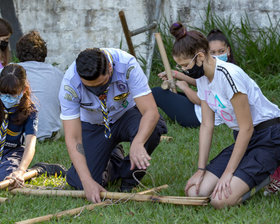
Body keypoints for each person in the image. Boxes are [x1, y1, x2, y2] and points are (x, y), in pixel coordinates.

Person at [169, 22, 280, 209]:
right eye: (180, 67)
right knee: (196, 192)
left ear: (201, 56)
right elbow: (206, 125)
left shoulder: (229, 76)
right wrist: (200, 169)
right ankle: (247, 172)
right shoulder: (202, 78)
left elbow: (247, 127)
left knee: (220, 201)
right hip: (244, 139)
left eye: (185, 65)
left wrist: (228, 172)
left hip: (269, 136)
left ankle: (272, 171)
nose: (184, 71)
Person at [59, 48, 167, 203]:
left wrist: (138, 142)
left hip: (127, 115)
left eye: (101, 84)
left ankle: (130, 178)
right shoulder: (69, 84)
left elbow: (151, 112)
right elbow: (73, 138)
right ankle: (113, 157)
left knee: (152, 129)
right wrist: (87, 180)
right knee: (81, 183)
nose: (97, 91)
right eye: (90, 87)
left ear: (110, 68)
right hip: (94, 124)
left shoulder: (127, 64)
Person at [152, 29, 235, 127]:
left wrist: (185, 88)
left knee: (156, 93)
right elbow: (200, 82)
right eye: (213, 52)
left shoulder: (225, 74)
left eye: (221, 51)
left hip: (197, 117)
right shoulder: (213, 70)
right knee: (165, 94)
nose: (217, 56)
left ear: (201, 55)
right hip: (200, 112)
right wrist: (175, 74)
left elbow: (201, 100)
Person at [16, 31, 64, 141]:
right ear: (44, 54)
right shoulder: (58, 74)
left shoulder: (7, 72)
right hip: (50, 135)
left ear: (18, 53)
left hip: (16, 135)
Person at [0, 64, 38, 189]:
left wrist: (21, 171)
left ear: (24, 90)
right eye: (3, 94)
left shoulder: (29, 111)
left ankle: (36, 170)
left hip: (12, 152)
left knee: (8, 177)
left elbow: (30, 145)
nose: (6, 99)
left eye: (12, 95)